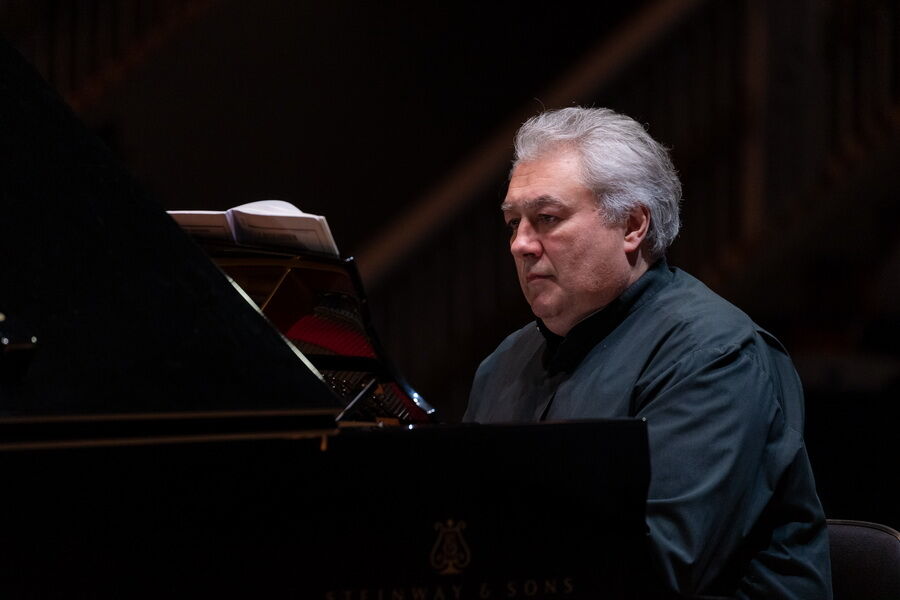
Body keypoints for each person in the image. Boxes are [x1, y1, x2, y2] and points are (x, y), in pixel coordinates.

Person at [464, 107, 832, 599]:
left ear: (633, 225)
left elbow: (655, 567)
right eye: (514, 223)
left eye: (547, 218)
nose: (520, 245)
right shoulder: (503, 365)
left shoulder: (714, 356)